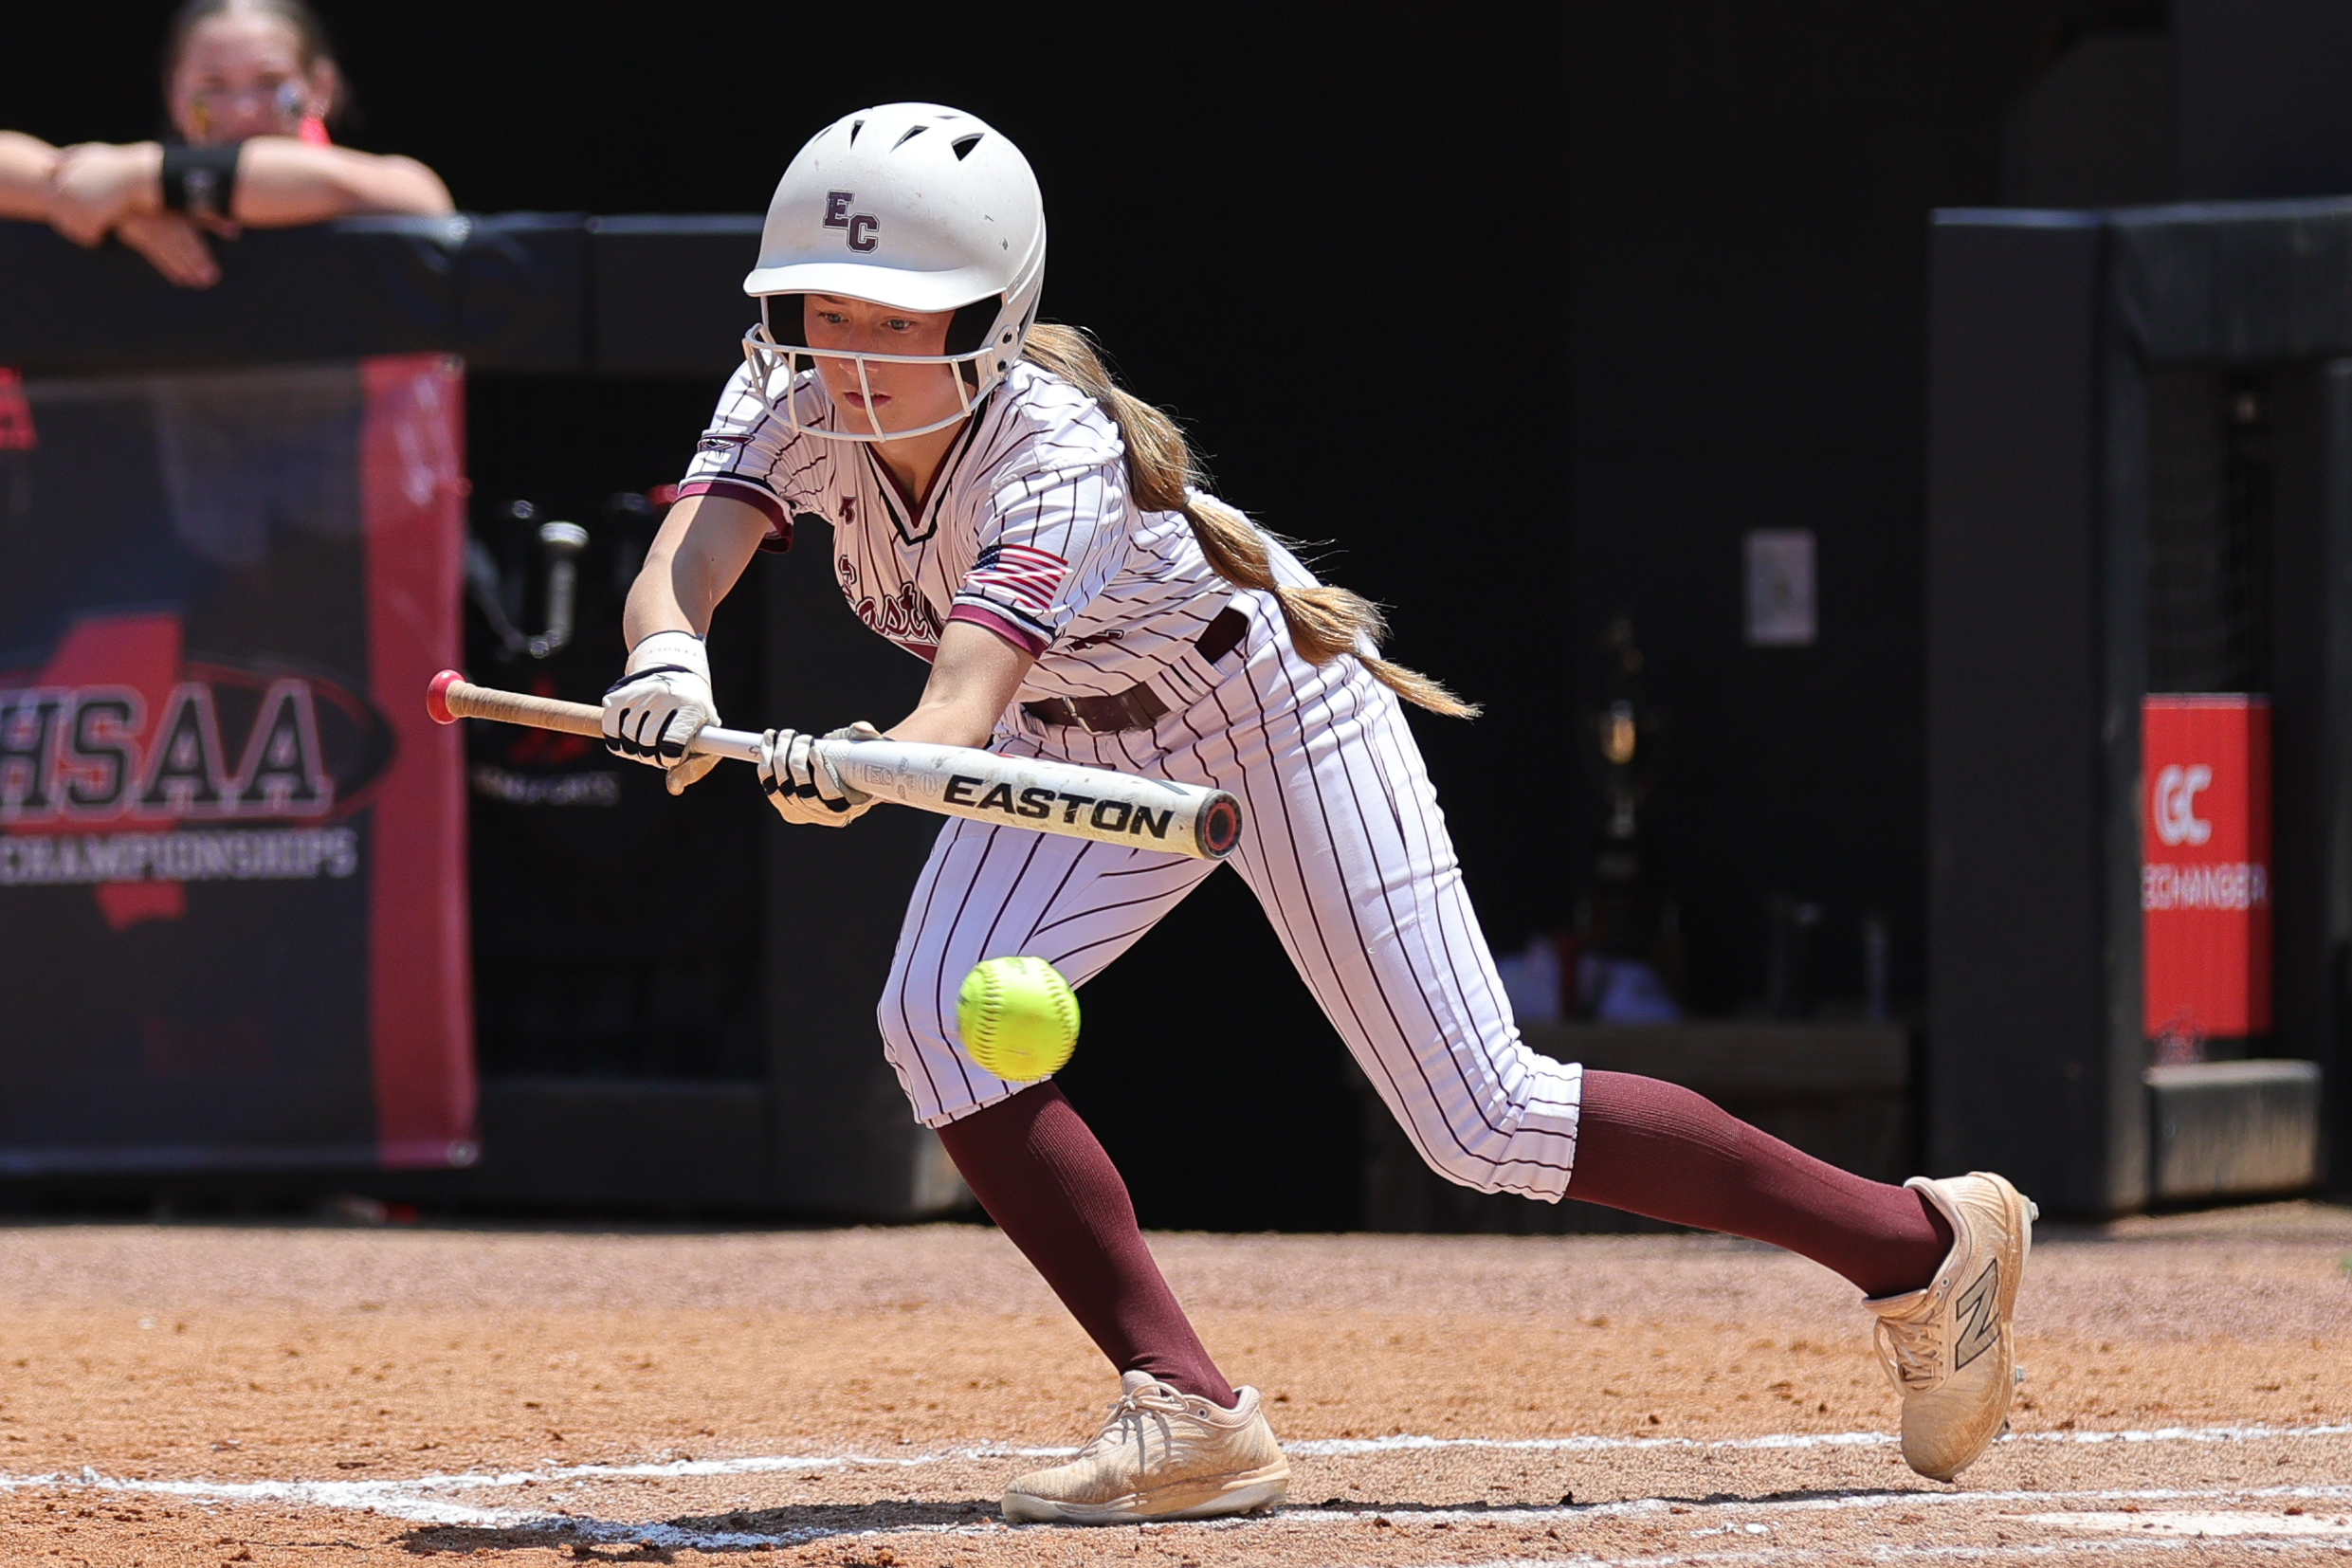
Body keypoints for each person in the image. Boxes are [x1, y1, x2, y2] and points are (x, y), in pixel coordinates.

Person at [603, 102, 2037, 1525]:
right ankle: (1188, 1410)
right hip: (1067, 735)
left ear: (993, 310)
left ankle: (1918, 1243)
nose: (851, 355)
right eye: (825, 311)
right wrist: (668, 661)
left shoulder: (1051, 452)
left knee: (1479, 1120)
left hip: (1262, 710)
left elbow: (955, 714)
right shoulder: (787, 384)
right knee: (932, 1021)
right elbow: (688, 562)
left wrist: (855, 770)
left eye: (899, 320)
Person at [0, 0, 449, 289]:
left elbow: (422, 201)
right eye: (213, 86)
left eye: (270, 82)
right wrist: (120, 216)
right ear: (175, 94)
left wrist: (141, 178)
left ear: (321, 87)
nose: (242, 110)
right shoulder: (134, 199)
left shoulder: (375, 187)